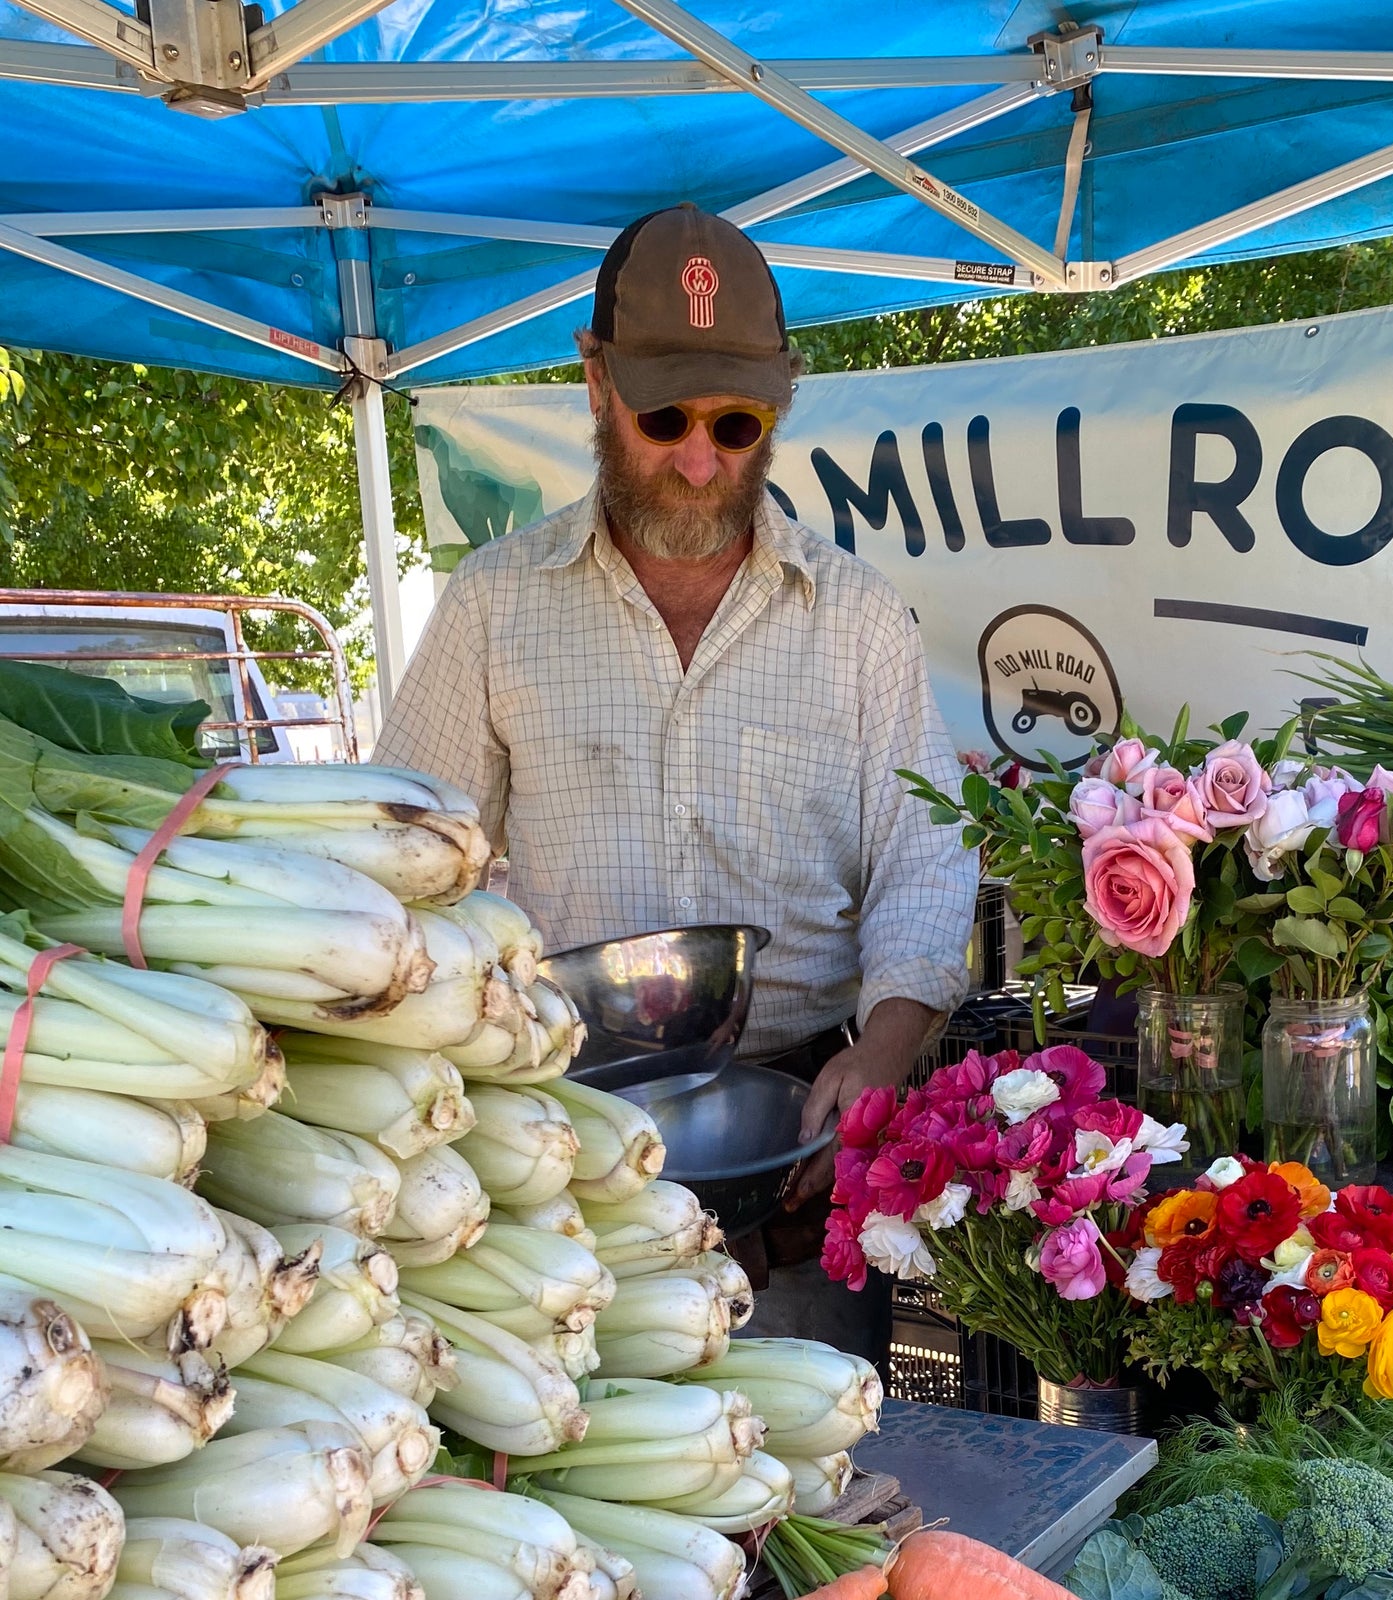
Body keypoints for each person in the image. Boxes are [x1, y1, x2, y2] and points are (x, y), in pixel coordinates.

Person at [372, 201, 977, 1361]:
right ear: (594, 381)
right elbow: (408, 865)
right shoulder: (496, 604)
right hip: (557, 1150)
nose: (700, 459)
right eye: (663, 417)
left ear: (783, 400)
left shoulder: (854, 619)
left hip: (795, 1150)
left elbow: (923, 857)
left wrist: (883, 1055)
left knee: (819, 1505)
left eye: (737, 423)